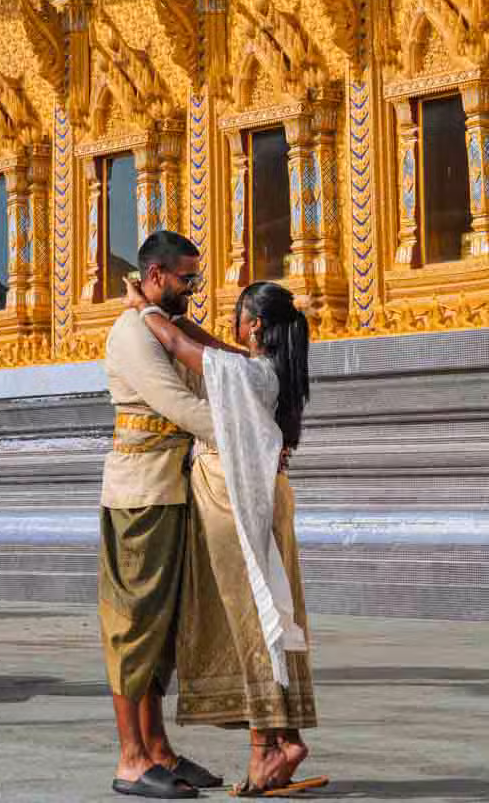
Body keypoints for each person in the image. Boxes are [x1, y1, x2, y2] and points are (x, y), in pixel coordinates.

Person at [128, 278, 327, 798]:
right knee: (274, 608)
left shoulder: (243, 374)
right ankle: (286, 735)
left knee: (250, 612)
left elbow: (178, 348)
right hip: (267, 494)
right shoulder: (266, 369)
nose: (231, 328)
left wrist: (145, 309)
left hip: (234, 496)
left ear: (255, 325)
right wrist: (175, 318)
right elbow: (211, 347)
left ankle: (265, 748)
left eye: (239, 317)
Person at [100, 229, 226, 800]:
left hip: (170, 490)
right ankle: (130, 758)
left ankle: (159, 749)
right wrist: (245, 432)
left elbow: (204, 367)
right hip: (139, 497)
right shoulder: (132, 332)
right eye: (185, 280)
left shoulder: (159, 325)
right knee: (135, 627)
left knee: (164, 631)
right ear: (155, 276)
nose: (192, 290)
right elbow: (175, 403)